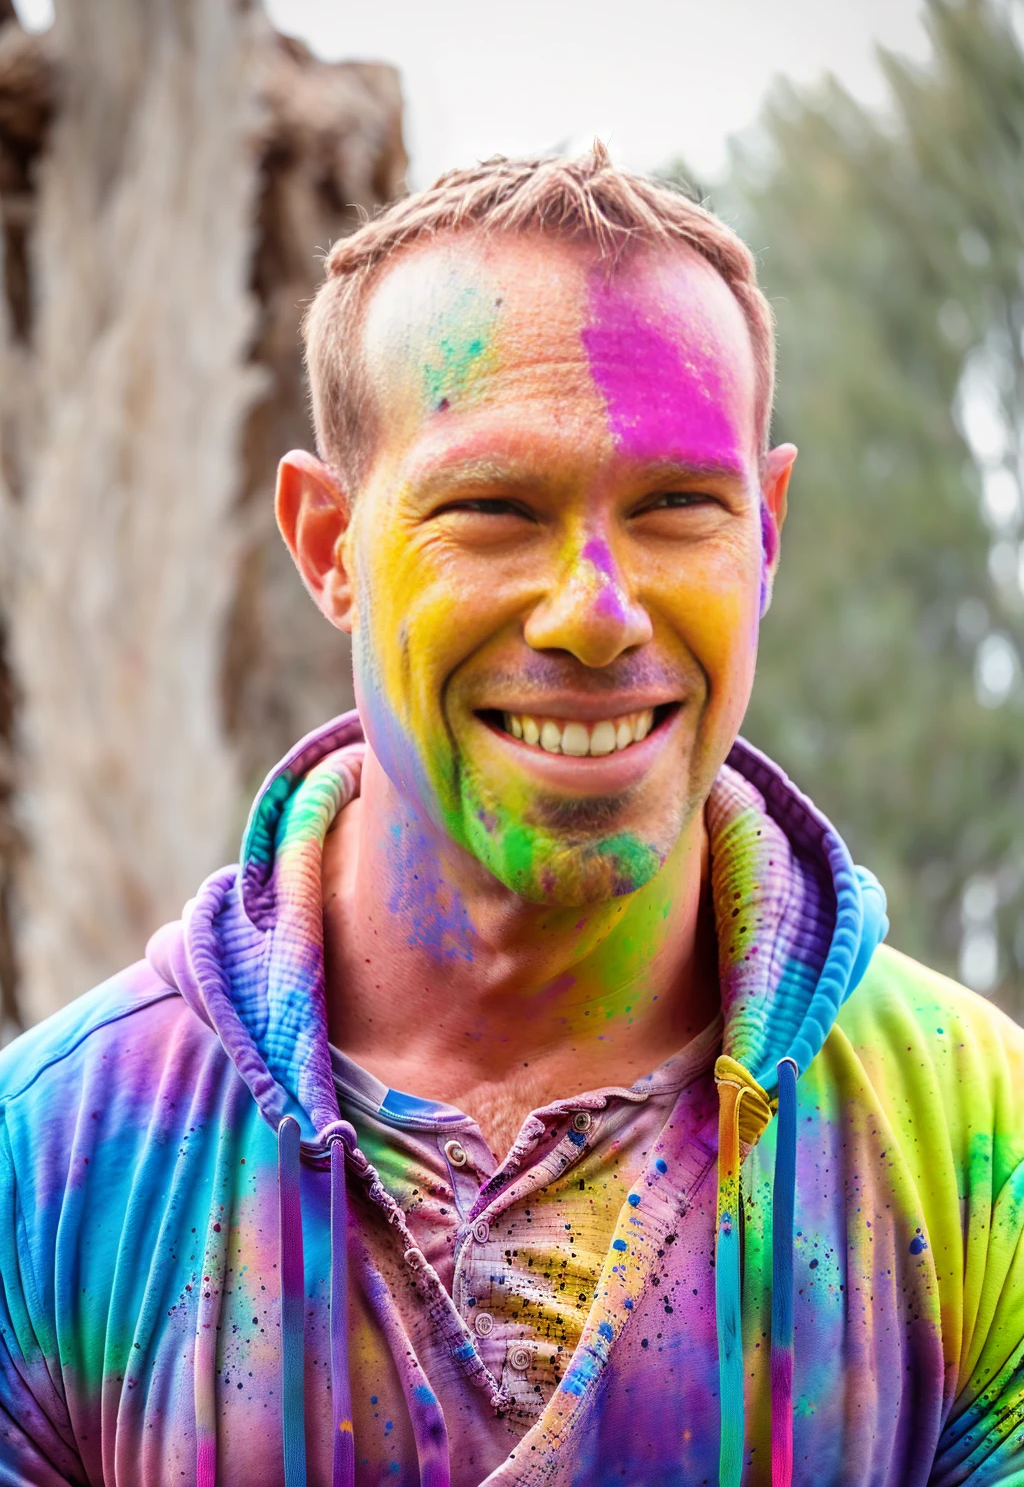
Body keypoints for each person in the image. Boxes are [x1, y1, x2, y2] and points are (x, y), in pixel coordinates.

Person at [0, 146, 1021, 1487]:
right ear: (328, 544)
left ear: (766, 531)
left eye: (674, 508)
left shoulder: (970, 1151)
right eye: (492, 511)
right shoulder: (56, 1168)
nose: (598, 611)